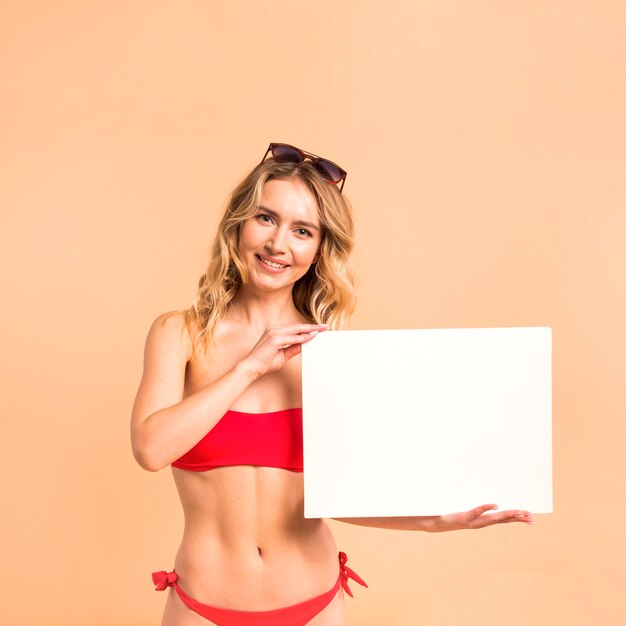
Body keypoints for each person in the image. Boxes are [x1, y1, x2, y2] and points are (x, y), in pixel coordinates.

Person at [130, 142, 533, 626]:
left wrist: (437, 521)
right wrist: (249, 367)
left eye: (303, 231)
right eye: (266, 218)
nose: (280, 244)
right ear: (237, 224)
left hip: (314, 607)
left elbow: (345, 495)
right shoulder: (180, 334)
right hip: (202, 609)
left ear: (320, 248)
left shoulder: (332, 353)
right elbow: (151, 450)